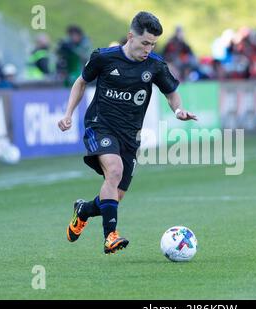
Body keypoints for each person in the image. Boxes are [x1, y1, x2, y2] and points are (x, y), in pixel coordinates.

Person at [57, 12, 197, 255]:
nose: (148, 48)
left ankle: (84, 210)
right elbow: (81, 82)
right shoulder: (104, 58)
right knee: (114, 170)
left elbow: (171, 92)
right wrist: (68, 113)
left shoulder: (154, 65)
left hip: (130, 136)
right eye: (145, 43)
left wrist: (178, 110)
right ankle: (110, 237)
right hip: (99, 125)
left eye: (152, 44)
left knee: (114, 196)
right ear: (131, 36)